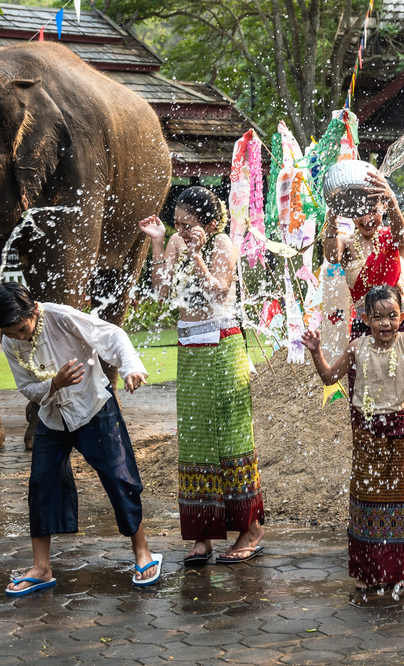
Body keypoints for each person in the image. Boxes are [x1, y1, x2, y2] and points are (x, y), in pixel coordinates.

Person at [0, 282, 160, 595]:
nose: (17, 338)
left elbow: (114, 335)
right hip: (52, 418)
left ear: (34, 310)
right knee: (41, 485)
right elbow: (27, 388)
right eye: (9, 333)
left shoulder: (61, 317)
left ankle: (143, 552)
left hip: (93, 407)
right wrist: (54, 384)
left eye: (21, 329)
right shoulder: (10, 340)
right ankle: (41, 568)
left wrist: (132, 366)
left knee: (119, 478)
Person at [302, 285, 404, 590]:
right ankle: (366, 570)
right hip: (367, 434)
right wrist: (316, 352)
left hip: (399, 432)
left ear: (402, 315)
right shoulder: (356, 347)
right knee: (366, 501)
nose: (386, 323)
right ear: (366, 318)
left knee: (400, 502)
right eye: (378, 317)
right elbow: (328, 378)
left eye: (392, 316)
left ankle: (403, 568)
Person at [140, 186, 264, 566]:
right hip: (191, 350)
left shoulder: (223, 244)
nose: (180, 229)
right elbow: (161, 292)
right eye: (176, 223)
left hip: (224, 348)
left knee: (231, 435)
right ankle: (203, 533)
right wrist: (160, 244)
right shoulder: (176, 240)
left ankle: (251, 529)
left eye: (187, 224)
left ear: (210, 223)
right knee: (195, 438)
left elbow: (219, 291)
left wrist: (197, 256)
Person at [322, 171, 404, 507]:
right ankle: (373, 487)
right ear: (349, 212)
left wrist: (392, 199)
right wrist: (332, 213)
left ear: (384, 207)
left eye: (374, 207)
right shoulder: (347, 244)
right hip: (362, 335)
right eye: (359, 208)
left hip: (402, 333)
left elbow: (403, 233)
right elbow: (329, 255)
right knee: (365, 407)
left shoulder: (391, 238)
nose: (368, 216)